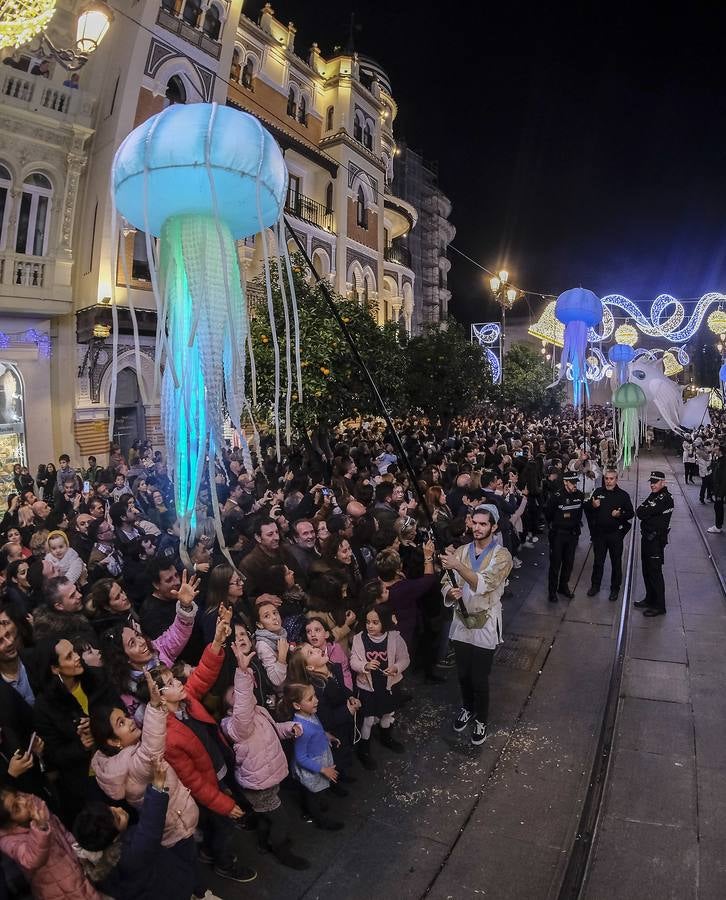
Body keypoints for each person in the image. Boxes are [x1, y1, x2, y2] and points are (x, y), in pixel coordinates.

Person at [221, 639, 309, 870]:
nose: (241, 697)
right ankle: (279, 849)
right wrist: (241, 674)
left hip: (269, 776)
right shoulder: (235, 725)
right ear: (231, 708)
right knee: (281, 819)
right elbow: (242, 712)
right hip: (258, 785)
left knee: (266, 817)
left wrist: (289, 728)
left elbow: (273, 730)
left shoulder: (258, 711)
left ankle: (263, 842)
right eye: (235, 697)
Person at [439, 505, 513, 746]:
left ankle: (481, 718)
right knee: (462, 673)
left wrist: (458, 567)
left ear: (494, 527)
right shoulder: (461, 550)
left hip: (485, 623)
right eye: (475, 523)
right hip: (461, 622)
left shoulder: (502, 556)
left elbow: (485, 583)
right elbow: (444, 580)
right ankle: (467, 708)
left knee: (480, 677)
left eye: (484, 524)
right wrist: (450, 591)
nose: (478, 528)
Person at [73, 759, 197, 900]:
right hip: (173, 891)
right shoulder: (134, 853)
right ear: (113, 837)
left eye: (112, 808)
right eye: (117, 818)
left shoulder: (102, 870)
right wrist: (157, 787)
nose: (120, 809)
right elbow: (151, 822)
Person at [0, 788, 102, 899]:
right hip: (55, 890)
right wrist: (40, 827)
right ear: (9, 824)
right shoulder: (9, 840)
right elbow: (31, 860)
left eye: (18, 797)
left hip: (76, 871)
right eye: (16, 808)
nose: (23, 802)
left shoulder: (39, 809)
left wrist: (79, 852)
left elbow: (63, 834)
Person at [350, 604, 409, 764]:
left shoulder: (395, 637)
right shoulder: (359, 638)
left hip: (389, 685)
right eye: (368, 622)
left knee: (388, 713)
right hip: (367, 687)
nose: (370, 626)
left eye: (375, 622)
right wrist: (364, 666)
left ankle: (386, 737)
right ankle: (364, 749)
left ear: (384, 621)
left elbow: (404, 658)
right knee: (368, 719)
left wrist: (396, 668)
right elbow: (353, 660)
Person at [282, 682, 343, 831]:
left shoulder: (311, 714)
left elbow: (317, 729)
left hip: (319, 758)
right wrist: (323, 770)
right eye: (310, 699)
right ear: (297, 705)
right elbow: (301, 758)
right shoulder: (301, 729)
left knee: (313, 792)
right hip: (313, 766)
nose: (316, 700)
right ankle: (320, 820)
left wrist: (326, 736)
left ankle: (310, 808)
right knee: (312, 796)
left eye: (314, 695)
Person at [586, 468, 634, 601]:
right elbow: (587, 509)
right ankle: (595, 586)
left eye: (611, 479)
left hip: (615, 535)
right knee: (598, 562)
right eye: (606, 478)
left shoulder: (623, 495)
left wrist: (620, 514)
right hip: (600, 535)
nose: (608, 481)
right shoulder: (598, 492)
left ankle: (615, 589)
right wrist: (593, 506)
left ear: (616, 480)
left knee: (616, 563)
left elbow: (631, 513)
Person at [634, 470, 674, 617]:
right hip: (647, 538)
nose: (652, 485)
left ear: (663, 482)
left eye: (655, 482)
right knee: (646, 570)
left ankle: (659, 605)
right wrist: (646, 512)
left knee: (655, 572)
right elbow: (640, 511)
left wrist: (646, 512)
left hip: (656, 540)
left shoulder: (665, 498)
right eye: (651, 482)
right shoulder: (655, 495)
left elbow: (643, 512)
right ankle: (650, 598)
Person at [544, 472, 585, 603]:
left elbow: (579, 513)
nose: (575, 485)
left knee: (569, 563)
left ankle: (563, 586)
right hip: (558, 535)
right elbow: (548, 514)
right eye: (572, 482)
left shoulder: (579, 495)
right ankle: (552, 591)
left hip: (572, 534)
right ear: (565, 482)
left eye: (575, 482)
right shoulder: (556, 497)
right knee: (555, 564)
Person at [707, 445, 726, 533]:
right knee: (717, 507)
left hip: (720, 490)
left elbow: (723, 479)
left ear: (720, 451)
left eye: (716, 449)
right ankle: (718, 525)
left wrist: (720, 493)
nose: (714, 450)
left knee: (718, 507)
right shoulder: (718, 460)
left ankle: (718, 526)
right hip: (717, 488)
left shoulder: (723, 462)